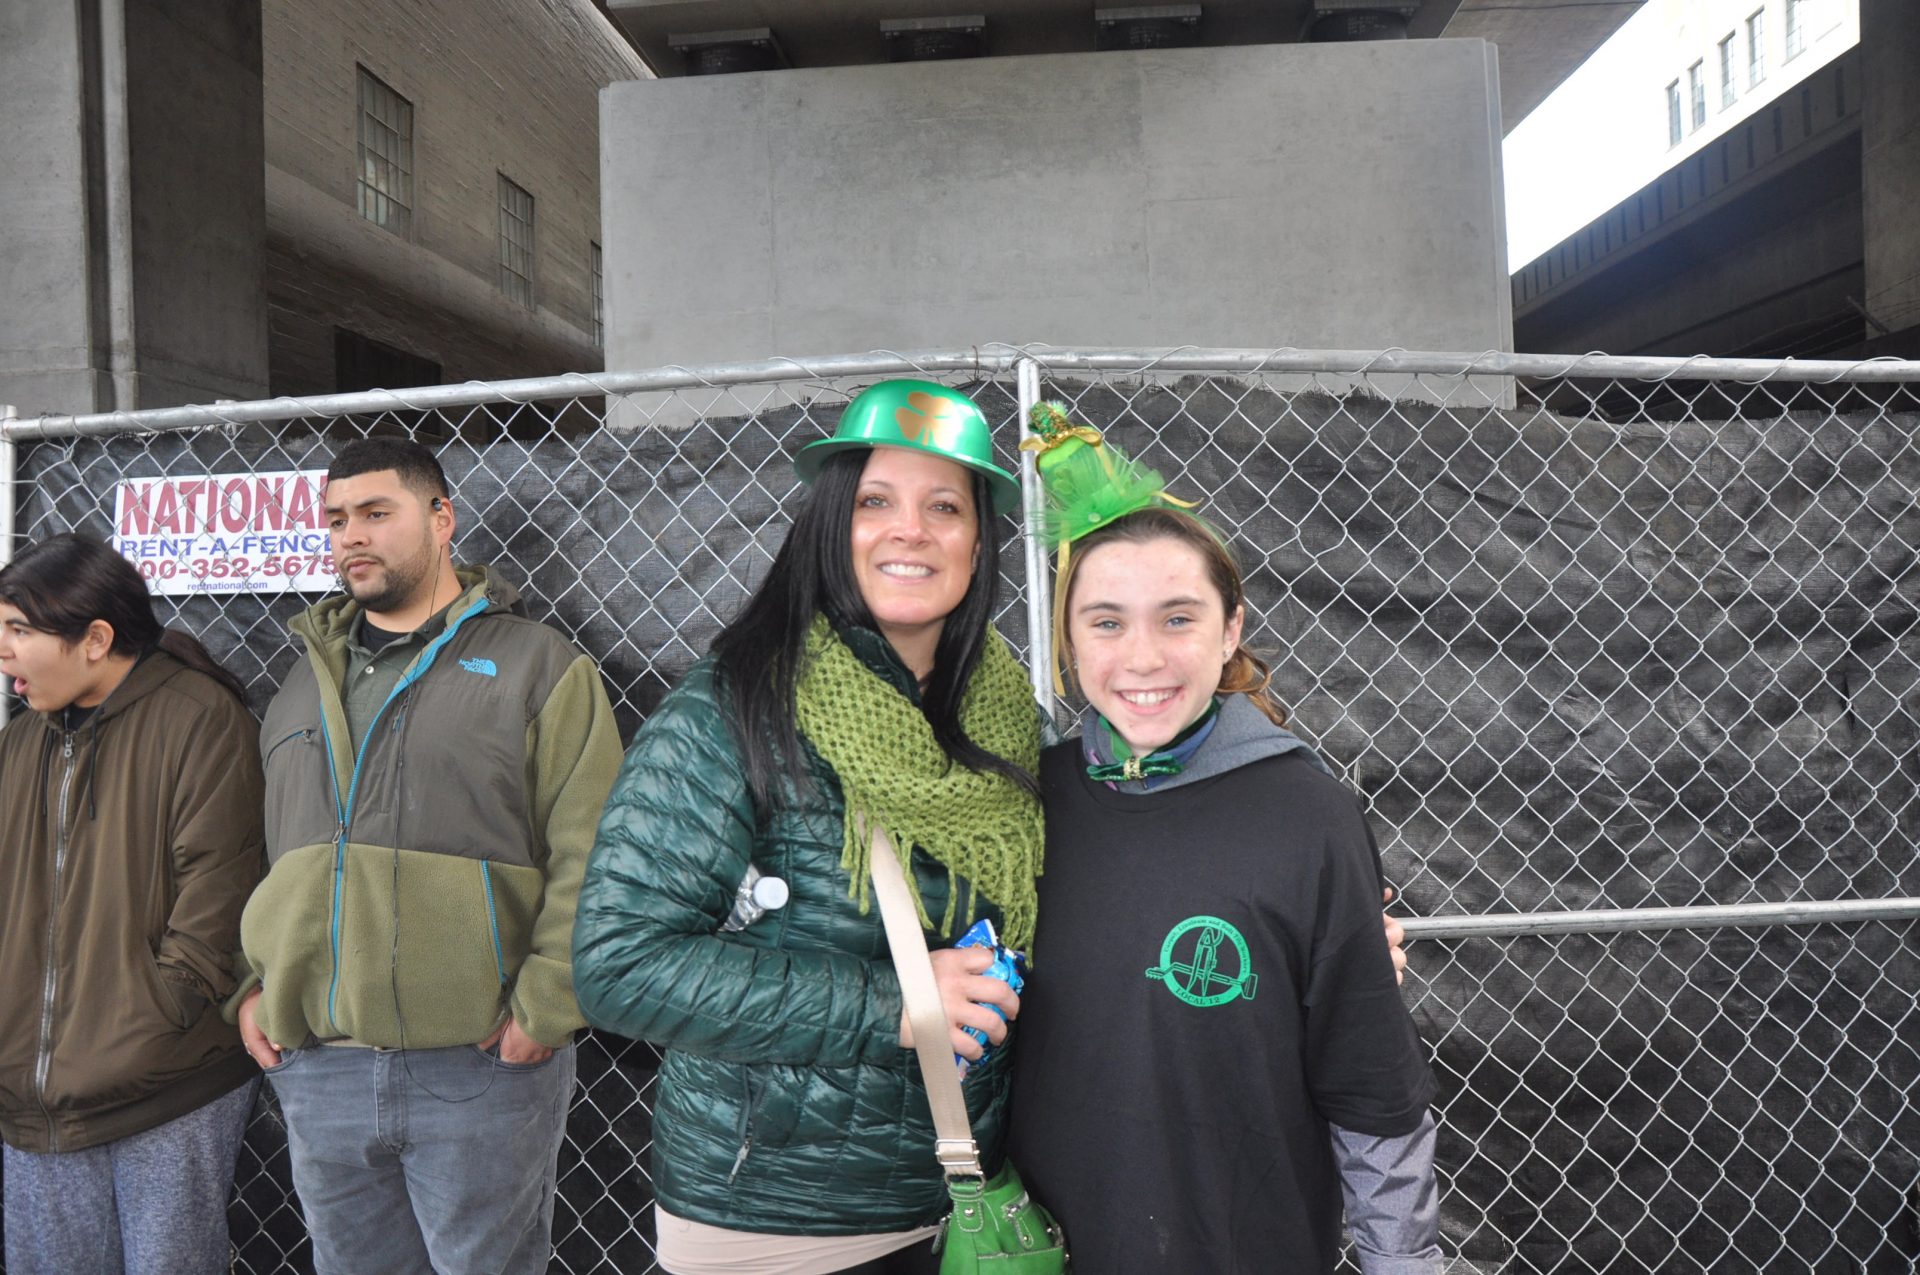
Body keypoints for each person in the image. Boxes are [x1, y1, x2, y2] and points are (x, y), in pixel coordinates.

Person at [574, 380, 1047, 1275]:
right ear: (833, 522)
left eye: (944, 506)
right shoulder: (734, 705)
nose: (910, 529)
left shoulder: (1001, 717)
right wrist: (894, 1002)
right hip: (774, 1224)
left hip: (956, 1201)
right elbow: (617, 964)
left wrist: (1301, 919)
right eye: (876, 501)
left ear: (980, 539)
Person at [1005, 408, 1442, 1273]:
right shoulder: (1030, 803)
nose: (1141, 658)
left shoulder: (1308, 815)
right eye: (1105, 621)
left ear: (1231, 628)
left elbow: (1373, 1090)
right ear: (1067, 636)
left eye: (1178, 618)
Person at [229, 438, 622, 1275]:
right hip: (319, 1066)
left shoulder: (537, 664)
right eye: (336, 519)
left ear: (442, 518)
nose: (351, 536)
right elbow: (269, 856)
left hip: (477, 1064)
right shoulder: (302, 680)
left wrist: (546, 1003)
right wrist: (252, 985)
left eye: (377, 513)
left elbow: (593, 844)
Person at [0, 533, 265, 1275]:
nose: (4, 651)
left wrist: (153, 1011)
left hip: (165, 1086)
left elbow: (221, 896)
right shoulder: (22, 744)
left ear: (95, 638)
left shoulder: (200, 717)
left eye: (19, 630)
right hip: (35, 1100)